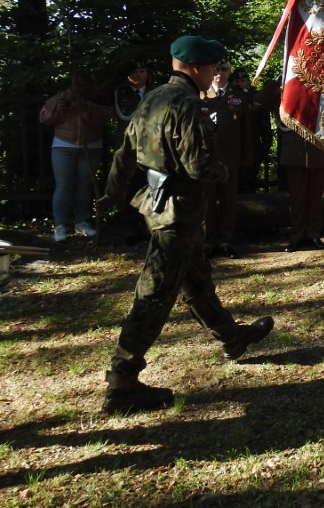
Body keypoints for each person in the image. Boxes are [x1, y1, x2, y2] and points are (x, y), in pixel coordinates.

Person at [95, 35, 274, 414]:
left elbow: (125, 152)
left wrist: (111, 195)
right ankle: (122, 380)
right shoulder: (188, 104)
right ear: (195, 67)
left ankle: (233, 337)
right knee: (155, 293)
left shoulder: (154, 98)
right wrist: (223, 169)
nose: (214, 74)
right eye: (211, 67)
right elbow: (199, 166)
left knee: (196, 280)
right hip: (179, 211)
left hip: (158, 204)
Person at [39, 72, 112, 242]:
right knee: (63, 186)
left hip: (91, 146)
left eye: (82, 84)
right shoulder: (61, 97)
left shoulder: (96, 99)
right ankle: (60, 226)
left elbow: (104, 118)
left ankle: (81, 223)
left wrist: (84, 109)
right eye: (76, 84)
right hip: (63, 145)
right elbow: (45, 118)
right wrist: (59, 110)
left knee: (83, 186)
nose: (79, 87)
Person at [201, 60, 252, 258]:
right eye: (216, 69)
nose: (219, 73)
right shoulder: (200, 95)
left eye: (224, 69)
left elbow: (246, 131)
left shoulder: (238, 97)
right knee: (208, 201)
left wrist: (247, 158)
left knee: (228, 200)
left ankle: (225, 240)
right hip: (207, 158)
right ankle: (208, 241)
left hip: (231, 157)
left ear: (229, 72)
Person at [113, 59, 152, 130]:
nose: (138, 75)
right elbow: (124, 116)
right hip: (127, 136)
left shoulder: (155, 92)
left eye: (142, 72)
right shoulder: (120, 93)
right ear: (128, 75)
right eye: (134, 72)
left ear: (147, 74)